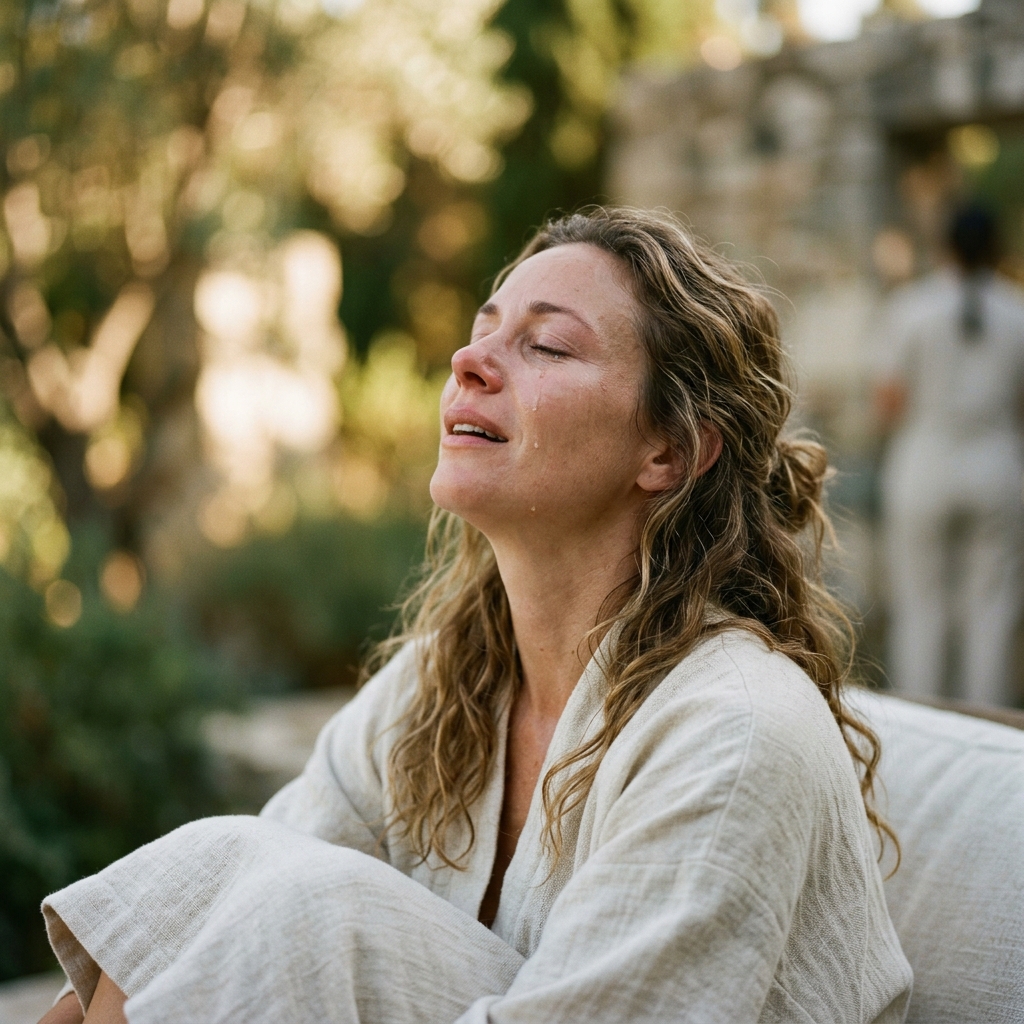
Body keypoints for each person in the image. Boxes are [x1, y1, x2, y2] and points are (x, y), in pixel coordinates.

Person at [40, 207, 912, 1024]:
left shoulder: (735, 732)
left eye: (547, 347)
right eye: (484, 328)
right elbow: (215, 909)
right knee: (227, 866)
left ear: (669, 450)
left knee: (313, 909)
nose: (469, 360)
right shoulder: (443, 680)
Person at [876, 205, 1024, 706]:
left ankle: (920, 719)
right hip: (997, 466)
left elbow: (890, 402)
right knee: (993, 608)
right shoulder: (1017, 311)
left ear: (945, 247)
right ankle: (989, 724)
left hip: (925, 463)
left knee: (920, 604)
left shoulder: (912, 308)